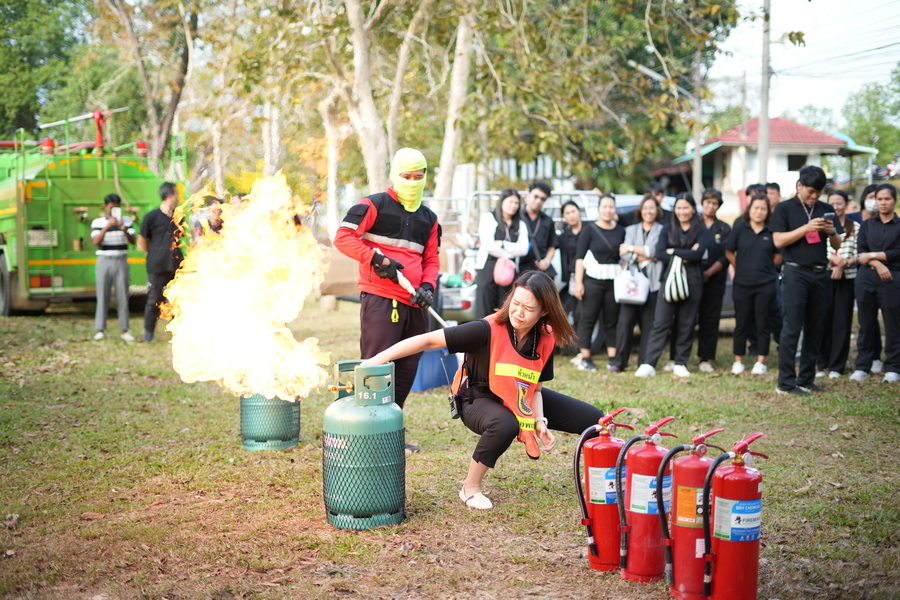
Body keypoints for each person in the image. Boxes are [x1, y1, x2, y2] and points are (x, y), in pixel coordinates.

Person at [360, 271, 604, 510]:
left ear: (544, 311)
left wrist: (539, 420)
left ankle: (595, 477)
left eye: (528, 309)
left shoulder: (544, 339)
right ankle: (470, 487)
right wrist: (376, 359)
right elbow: (427, 340)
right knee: (505, 424)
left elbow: (536, 389)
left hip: (518, 396)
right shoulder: (486, 329)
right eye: (516, 303)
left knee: (594, 419)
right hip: (476, 397)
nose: (519, 312)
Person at [333, 148, 441, 412]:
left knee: (407, 369)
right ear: (395, 175)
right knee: (376, 366)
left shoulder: (430, 219)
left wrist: (427, 287)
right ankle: (369, 427)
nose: (413, 182)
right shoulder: (373, 205)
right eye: (407, 176)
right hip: (381, 299)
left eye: (418, 177)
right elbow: (343, 238)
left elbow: (431, 261)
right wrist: (375, 259)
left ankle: (391, 426)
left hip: (416, 303)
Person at [770, 165, 842, 396]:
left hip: (821, 272)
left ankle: (807, 378)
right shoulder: (784, 208)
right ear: (799, 186)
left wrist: (831, 232)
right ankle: (786, 382)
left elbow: (838, 244)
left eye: (818, 192)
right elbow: (778, 241)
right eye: (810, 191)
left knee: (815, 326)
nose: (814, 196)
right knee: (792, 326)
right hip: (794, 272)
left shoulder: (825, 208)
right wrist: (806, 228)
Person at [635, 193, 709, 378]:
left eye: (686, 208)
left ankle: (680, 362)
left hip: (693, 281)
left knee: (687, 323)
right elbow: (660, 253)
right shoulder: (667, 229)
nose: (682, 212)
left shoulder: (701, 230)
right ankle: (648, 363)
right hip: (668, 281)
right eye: (679, 208)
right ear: (674, 210)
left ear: (693, 209)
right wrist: (685, 253)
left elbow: (698, 254)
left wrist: (674, 251)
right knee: (660, 322)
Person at [850, 183, 900, 383]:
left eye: (887, 199)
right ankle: (863, 364)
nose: (883, 203)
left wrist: (871, 257)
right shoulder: (867, 225)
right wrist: (878, 263)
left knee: (892, 323)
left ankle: (894, 366)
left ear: (894, 200)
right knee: (866, 323)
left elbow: (898, 253)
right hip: (867, 278)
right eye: (879, 199)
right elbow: (860, 252)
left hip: (893, 278)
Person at [726, 193, 781, 375]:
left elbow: (778, 255)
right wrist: (740, 266)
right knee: (741, 322)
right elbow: (729, 251)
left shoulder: (772, 231)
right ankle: (738, 360)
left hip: (765, 284)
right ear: (749, 209)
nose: (759, 212)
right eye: (756, 208)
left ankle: (761, 361)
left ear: (768, 211)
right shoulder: (740, 228)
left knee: (763, 322)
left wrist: (765, 267)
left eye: (763, 209)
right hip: (742, 283)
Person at [572, 193, 624, 371]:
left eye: (611, 207)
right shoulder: (589, 229)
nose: (608, 210)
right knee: (588, 319)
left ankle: (612, 358)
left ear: (614, 209)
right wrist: (579, 283)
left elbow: (623, 257)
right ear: (599, 209)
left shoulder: (620, 231)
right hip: (592, 280)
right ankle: (586, 357)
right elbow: (579, 258)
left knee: (612, 319)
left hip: (614, 280)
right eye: (605, 207)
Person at [612, 194, 664, 372]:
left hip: (654, 283)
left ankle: (644, 362)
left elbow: (657, 251)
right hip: (632, 283)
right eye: (646, 208)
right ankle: (619, 362)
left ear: (657, 210)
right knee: (625, 322)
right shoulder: (631, 229)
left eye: (652, 208)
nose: (648, 211)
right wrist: (647, 254)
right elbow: (623, 254)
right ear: (640, 210)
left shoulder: (662, 230)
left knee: (649, 324)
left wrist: (633, 249)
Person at [817, 190, 858, 379]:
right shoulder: (821, 226)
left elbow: (859, 252)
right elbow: (817, 250)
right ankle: (821, 363)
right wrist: (834, 262)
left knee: (842, 322)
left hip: (847, 280)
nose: (836, 207)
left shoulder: (855, 227)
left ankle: (837, 365)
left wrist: (844, 263)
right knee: (821, 320)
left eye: (840, 203)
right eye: (832, 203)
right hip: (824, 278)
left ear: (846, 204)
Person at [138, 182, 184, 343]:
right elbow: (142, 238)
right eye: (176, 194)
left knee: (179, 299)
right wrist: (149, 253)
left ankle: (179, 332)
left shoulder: (179, 216)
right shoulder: (151, 216)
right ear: (169, 196)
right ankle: (149, 333)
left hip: (177, 265)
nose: (178, 197)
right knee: (154, 300)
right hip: (157, 265)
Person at [475, 189, 529, 319]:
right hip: (488, 266)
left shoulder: (520, 224)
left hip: (510, 270)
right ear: (502, 202)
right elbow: (488, 245)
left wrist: (503, 244)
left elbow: (524, 249)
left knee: (505, 309)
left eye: (516, 203)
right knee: (485, 309)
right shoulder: (489, 218)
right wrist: (509, 253)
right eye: (510, 201)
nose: (513, 205)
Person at [91, 193, 136, 342]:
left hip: (121, 260)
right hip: (104, 260)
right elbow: (96, 241)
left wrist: (123, 228)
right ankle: (100, 329)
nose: (114, 210)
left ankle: (124, 330)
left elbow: (133, 241)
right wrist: (107, 226)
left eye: (117, 208)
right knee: (102, 295)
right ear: (105, 207)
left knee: (123, 296)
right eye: (111, 208)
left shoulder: (127, 221)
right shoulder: (97, 222)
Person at [695, 189, 731, 372]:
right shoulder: (693, 223)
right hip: (691, 277)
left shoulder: (724, 228)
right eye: (708, 202)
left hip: (714, 279)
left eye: (714, 203)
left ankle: (706, 357)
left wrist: (709, 273)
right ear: (702, 203)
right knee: (686, 318)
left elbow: (727, 256)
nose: (710, 206)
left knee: (710, 319)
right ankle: (679, 357)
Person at [518, 181, 558, 277]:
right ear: (528, 195)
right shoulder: (517, 217)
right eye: (535, 196)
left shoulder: (548, 220)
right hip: (519, 267)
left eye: (543, 199)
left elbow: (552, 245)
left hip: (541, 269)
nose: (538, 201)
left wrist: (547, 260)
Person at [557, 200, 584, 325]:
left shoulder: (589, 229)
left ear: (579, 212)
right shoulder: (564, 236)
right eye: (567, 213)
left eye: (573, 211)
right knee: (574, 310)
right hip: (572, 278)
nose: (571, 215)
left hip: (590, 275)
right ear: (564, 217)